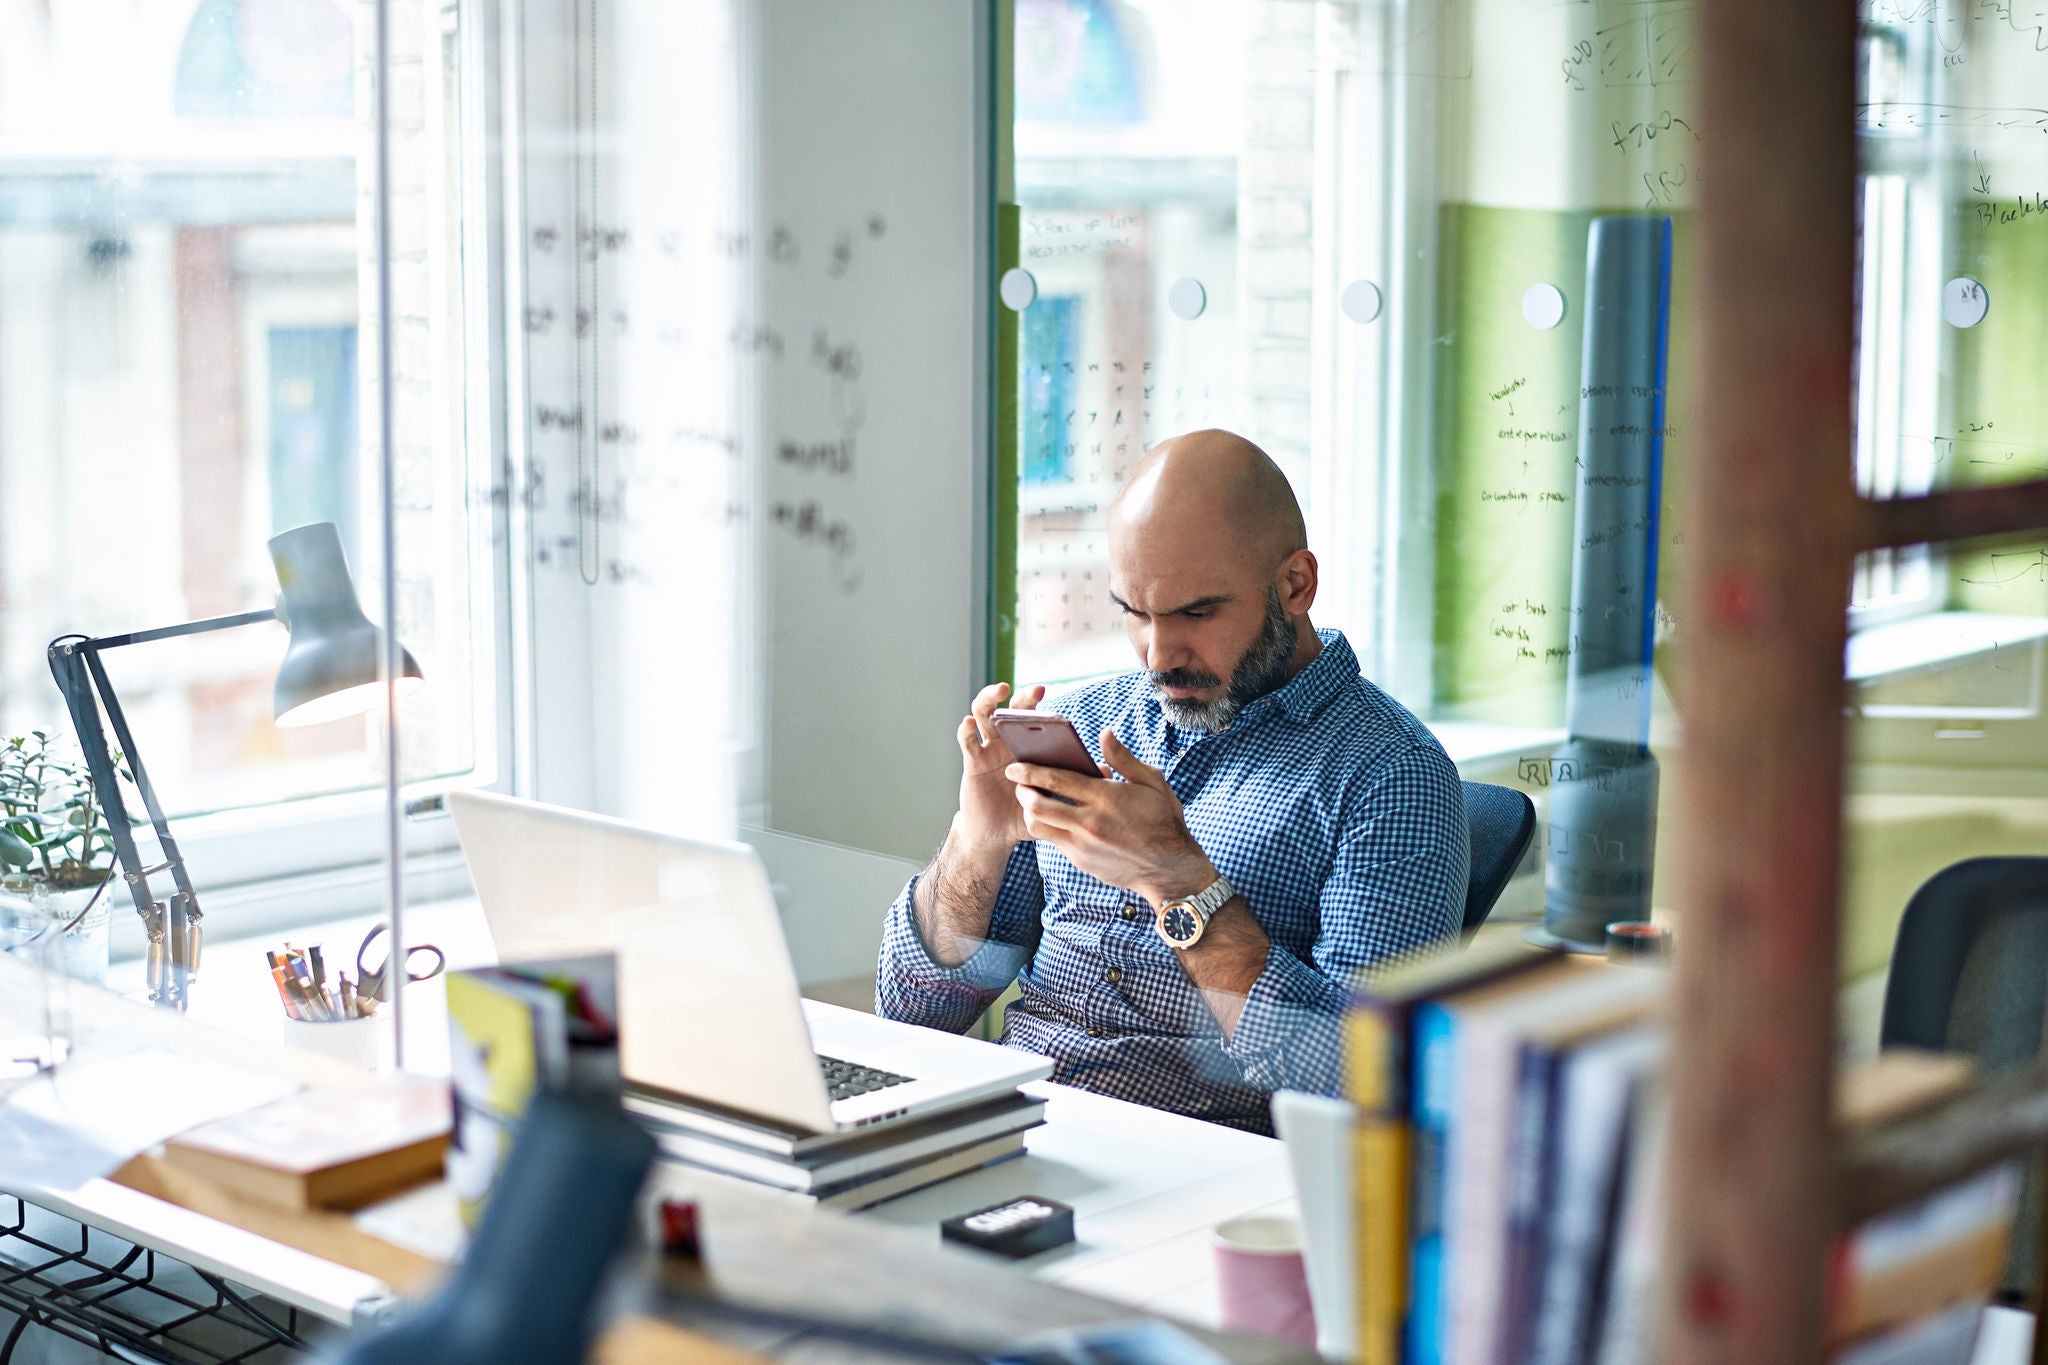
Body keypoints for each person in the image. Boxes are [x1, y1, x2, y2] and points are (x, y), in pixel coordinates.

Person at [876, 429, 1468, 1131]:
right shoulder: (1087, 717)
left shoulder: (1390, 774)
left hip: (1204, 1171)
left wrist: (1178, 880)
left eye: (1195, 612)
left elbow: (1366, 1087)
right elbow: (912, 1014)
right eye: (1134, 612)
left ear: (1295, 584)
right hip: (1017, 1128)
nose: (1159, 654)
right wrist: (977, 841)